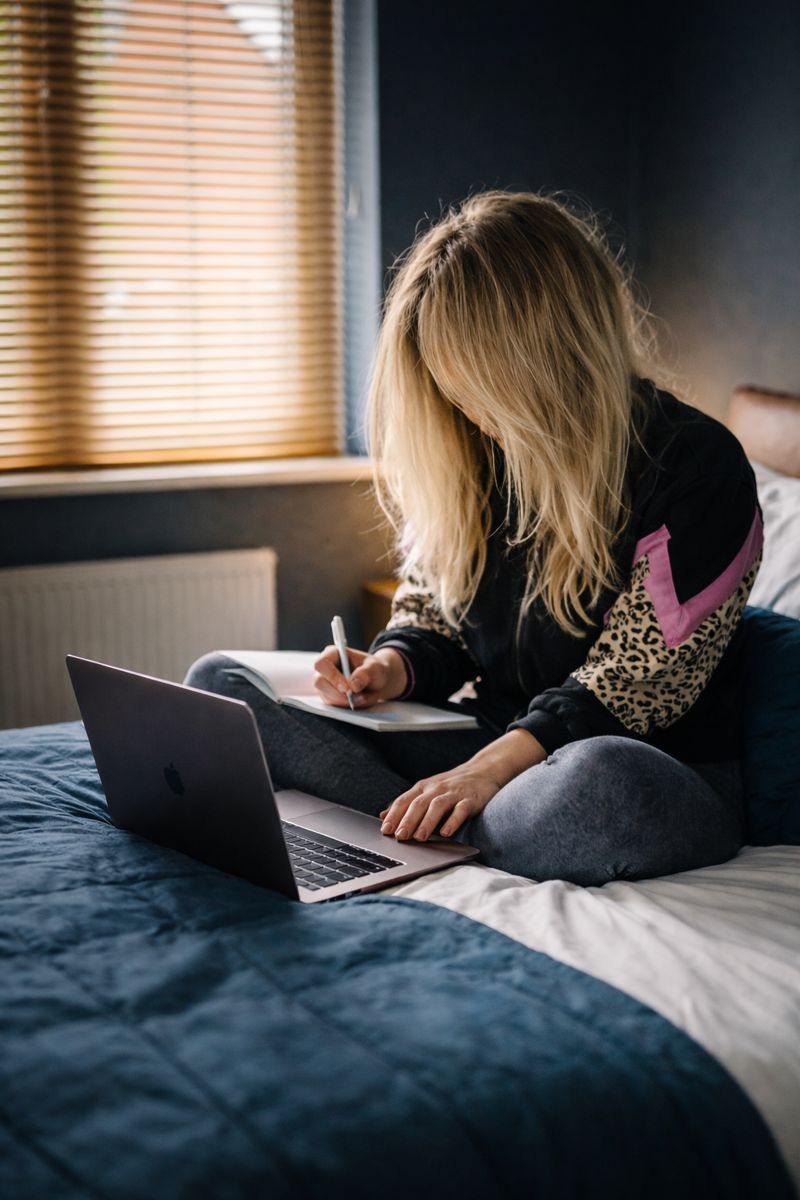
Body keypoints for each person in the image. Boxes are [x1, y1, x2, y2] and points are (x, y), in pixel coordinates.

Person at [185, 190, 763, 887]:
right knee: (222, 685)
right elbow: (436, 617)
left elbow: (632, 691)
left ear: (550, 358)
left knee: (602, 785)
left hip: (640, 765)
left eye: (481, 392)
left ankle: (419, 828)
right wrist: (391, 668)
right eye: (454, 392)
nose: (470, 415)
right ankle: (440, 832)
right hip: (492, 747)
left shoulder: (698, 469)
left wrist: (486, 771)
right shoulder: (479, 453)